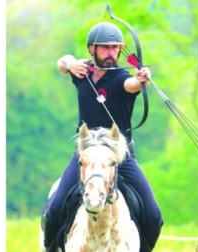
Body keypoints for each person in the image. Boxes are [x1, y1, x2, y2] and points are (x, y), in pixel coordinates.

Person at [42, 21, 163, 251]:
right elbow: (62, 62)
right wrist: (70, 63)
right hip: (85, 155)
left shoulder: (120, 78)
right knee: (55, 210)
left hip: (119, 157)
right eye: (104, 47)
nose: (110, 53)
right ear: (91, 49)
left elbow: (132, 84)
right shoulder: (82, 72)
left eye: (115, 47)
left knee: (153, 214)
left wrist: (141, 79)